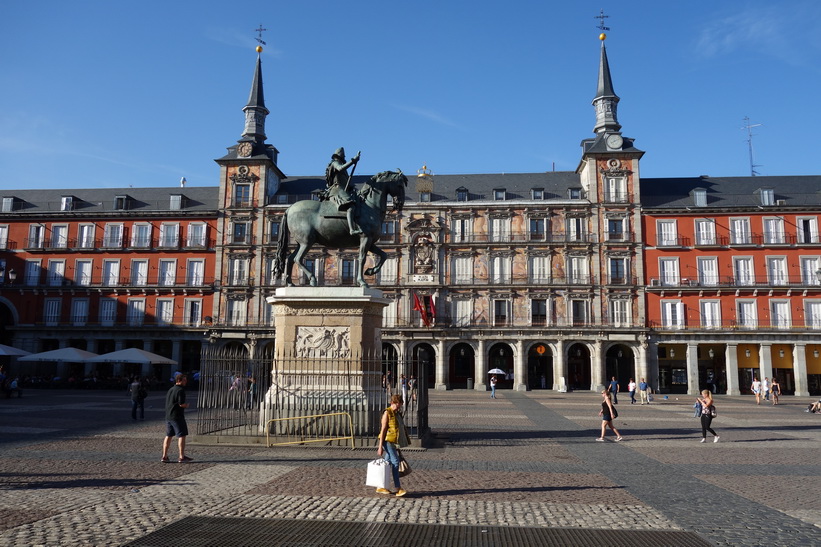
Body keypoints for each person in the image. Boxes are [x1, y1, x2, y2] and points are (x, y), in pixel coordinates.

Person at [325, 147, 362, 235]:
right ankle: (351, 229)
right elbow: (340, 168)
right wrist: (353, 161)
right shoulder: (335, 163)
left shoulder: (340, 165)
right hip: (337, 190)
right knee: (351, 206)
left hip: (343, 189)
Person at [376, 394, 407, 497]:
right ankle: (398, 488)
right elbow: (383, 430)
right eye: (396, 404)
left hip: (393, 442)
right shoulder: (387, 413)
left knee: (386, 463)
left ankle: (381, 486)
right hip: (387, 441)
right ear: (392, 403)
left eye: (400, 404)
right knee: (395, 462)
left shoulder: (397, 413)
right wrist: (380, 447)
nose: (398, 406)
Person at [161, 373, 192, 463]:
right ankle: (181, 456)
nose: (186, 382)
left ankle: (164, 456)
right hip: (177, 416)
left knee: (169, 436)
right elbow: (181, 403)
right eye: (184, 380)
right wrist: (186, 405)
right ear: (179, 380)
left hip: (168, 416)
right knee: (181, 435)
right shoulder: (181, 390)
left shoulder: (171, 389)